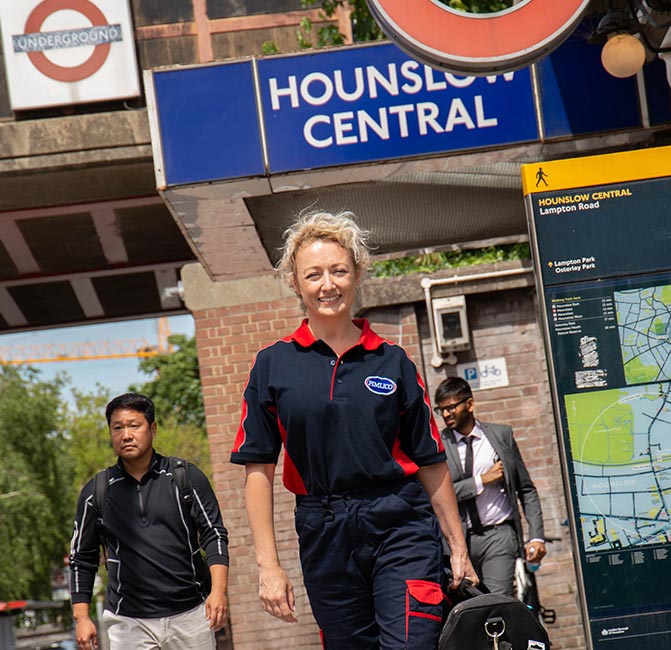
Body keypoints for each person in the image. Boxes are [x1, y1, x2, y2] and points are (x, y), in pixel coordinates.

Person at [231, 210, 478, 649]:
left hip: (400, 522)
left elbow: (430, 460)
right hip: (323, 529)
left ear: (357, 272)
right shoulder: (273, 365)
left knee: (411, 644)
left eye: (339, 271)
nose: (328, 284)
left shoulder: (393, 362)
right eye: (314, 274)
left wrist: (457, 545)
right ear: (295, 282)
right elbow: (258, 470)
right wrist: (268, 565)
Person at [69, 393, 229, 650]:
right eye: (117, 428)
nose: (126, 435)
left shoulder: (184, 477)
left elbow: (214, 535)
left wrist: (218, 592)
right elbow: (82, 558)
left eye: (134, 425)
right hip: (128, 620)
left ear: (152, 428)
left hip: (190, 614)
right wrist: (82, 617)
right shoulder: (96, 491)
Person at [434, 377, 546, 596]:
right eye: (441, 410)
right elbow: (438, 495)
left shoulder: (500, 436)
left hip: (498, 536)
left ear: (470, 404)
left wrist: (537, 536)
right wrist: (480, 481)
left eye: (451, 407)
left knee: (497, 603)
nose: (446, 414)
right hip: (458, 543)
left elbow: (526, 488)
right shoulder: (438, 445)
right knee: (468, 607)